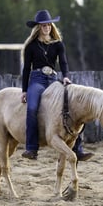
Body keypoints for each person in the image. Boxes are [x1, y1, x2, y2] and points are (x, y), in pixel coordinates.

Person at [21, 9, 94, 161]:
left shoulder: (58, 45)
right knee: (32, 107)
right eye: (43, 25)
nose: (47, 27)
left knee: (73, 107)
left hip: (53, 80)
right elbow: (27, 68)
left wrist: (66, 77)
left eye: (49, 25)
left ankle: (78, 148)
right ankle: (31, 148)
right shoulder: (31, 46)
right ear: (38, 28)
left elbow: (64, 63)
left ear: (51, 26)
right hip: (37, 80)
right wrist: (24, 90)